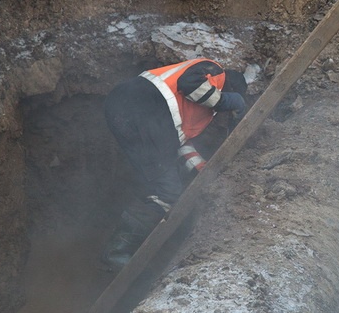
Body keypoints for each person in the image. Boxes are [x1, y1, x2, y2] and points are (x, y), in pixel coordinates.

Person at [101, 58, 248, 270]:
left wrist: (201, 168)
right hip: (144, 106)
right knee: (167, 190)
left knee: (163, 186)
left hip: (125, 112)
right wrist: (229, 100)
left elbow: (178, 144)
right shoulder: (214, 71)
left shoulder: (196, 111)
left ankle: (117, 252)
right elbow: (189, 83)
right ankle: (115, 253)